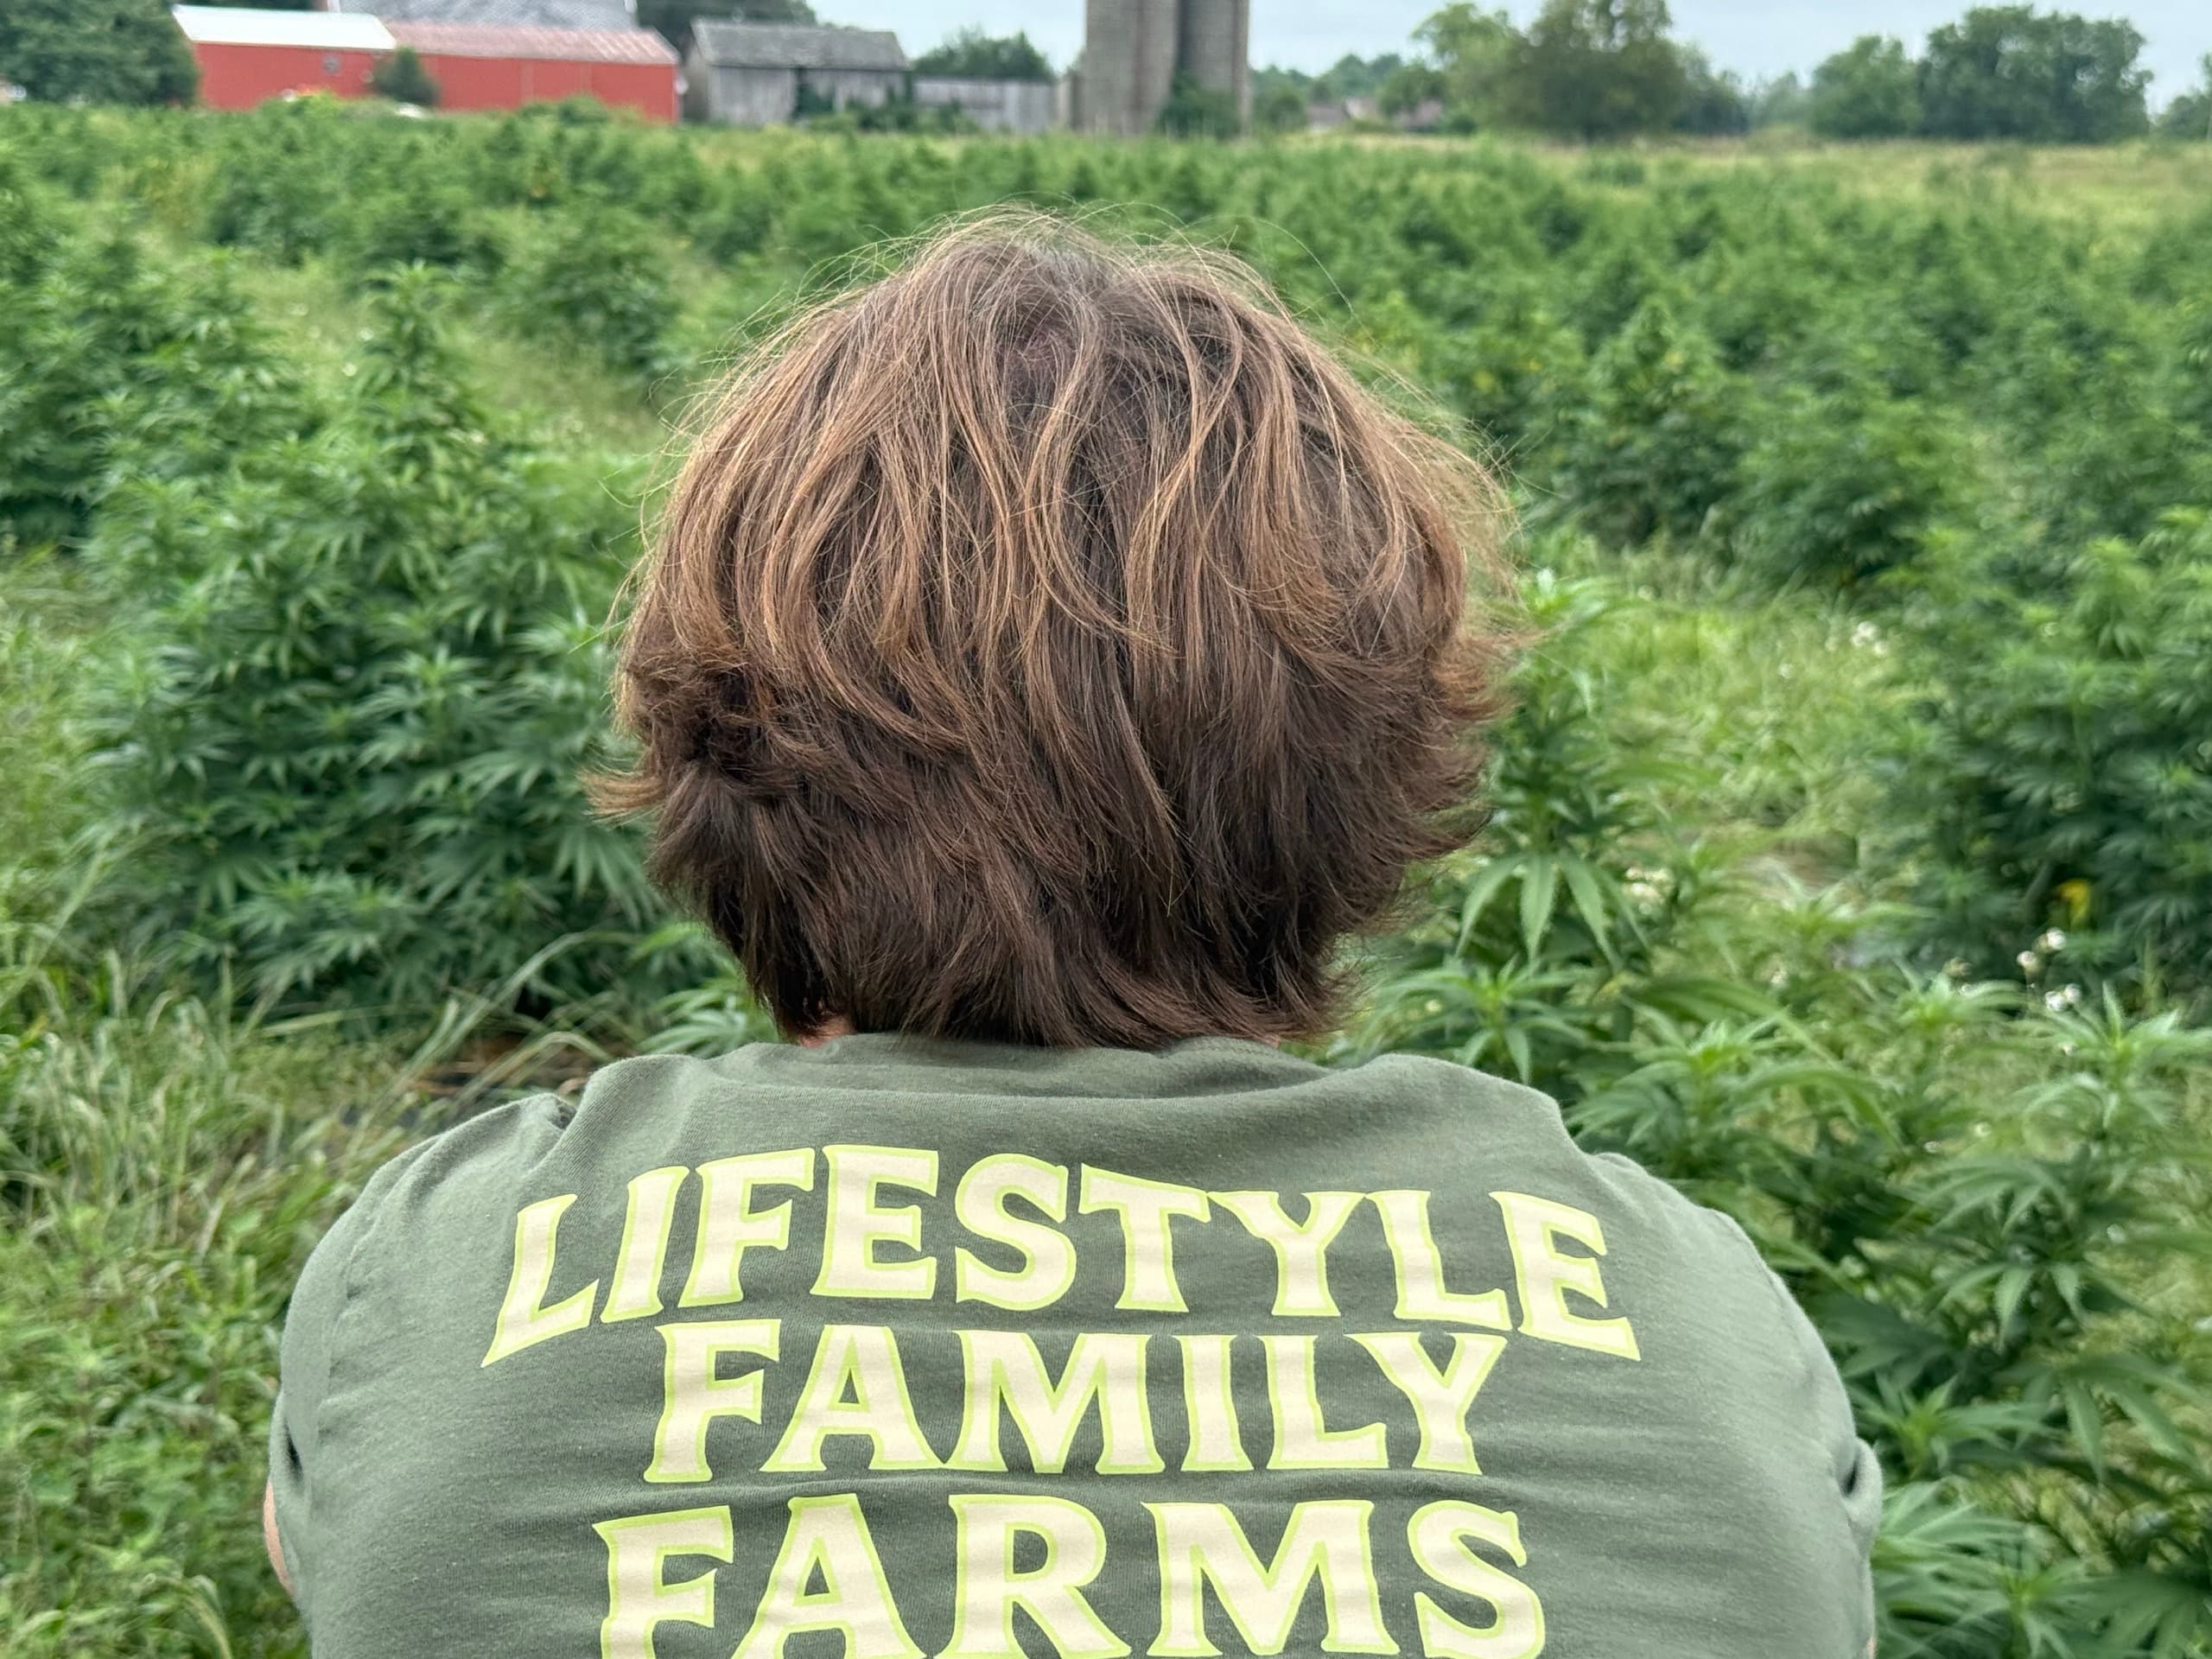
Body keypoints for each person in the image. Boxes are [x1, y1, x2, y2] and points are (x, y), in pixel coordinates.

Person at [265, 212, 1880, 1658]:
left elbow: (331, 1553)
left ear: (717, 751)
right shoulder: (1689, 1329)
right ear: (1381, 782)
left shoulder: (461, 1271)